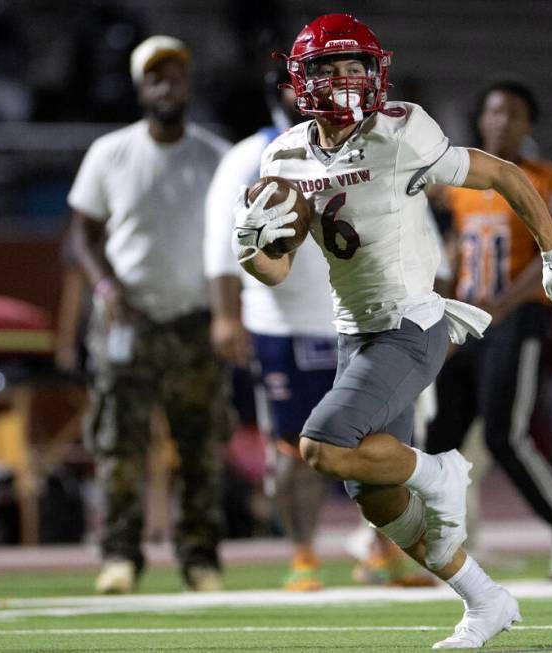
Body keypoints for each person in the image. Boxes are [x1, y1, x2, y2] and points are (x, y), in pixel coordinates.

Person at [234, 14, 552, 648]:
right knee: (375, 495)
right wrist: (249, 249)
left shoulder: (401, 131)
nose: (344, 79)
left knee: (319, 444)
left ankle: (439, 471)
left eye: (355, 67)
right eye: (329, 68)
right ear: (300, 79)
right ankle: (486, 601)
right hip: (353, 333)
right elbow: (275, 270)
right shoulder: (282, 155)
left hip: (411, 323)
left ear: (377, 74)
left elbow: (505, 174)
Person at [425, 80, 552, 580]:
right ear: (480, 120)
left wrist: (502, 305)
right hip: (467, 320)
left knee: (506, 436)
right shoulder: (463, 181)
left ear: (529, 125)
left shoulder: (546, 179)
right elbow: (452, 256)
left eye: (513, 114)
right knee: (439, 440)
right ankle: (429, 545)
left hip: (517, 318)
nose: (502, 122)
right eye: (493, 112)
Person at [68, 35, 231, 593]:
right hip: (125, 320)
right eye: (156, 77)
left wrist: (227, 314)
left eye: (176, 76)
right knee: (120, 446)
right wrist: (106, 285)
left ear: (188, 84)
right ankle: (119, 556)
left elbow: (237, 242)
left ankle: (200, 558)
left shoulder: (216, 156)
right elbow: (83, 235)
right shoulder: (109, 153)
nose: (167, 86)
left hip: (194, 319)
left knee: (200, 447)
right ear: (141, 88)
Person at [206, 70, 338, 591]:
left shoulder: (357, 147)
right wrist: (224, 314)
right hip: (281, 324)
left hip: (359, 315)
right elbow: (219, 243)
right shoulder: (248, 156)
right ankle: (303, 553)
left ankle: (381, 548)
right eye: (294, 85)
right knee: (294, 446)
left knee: (379, 442)